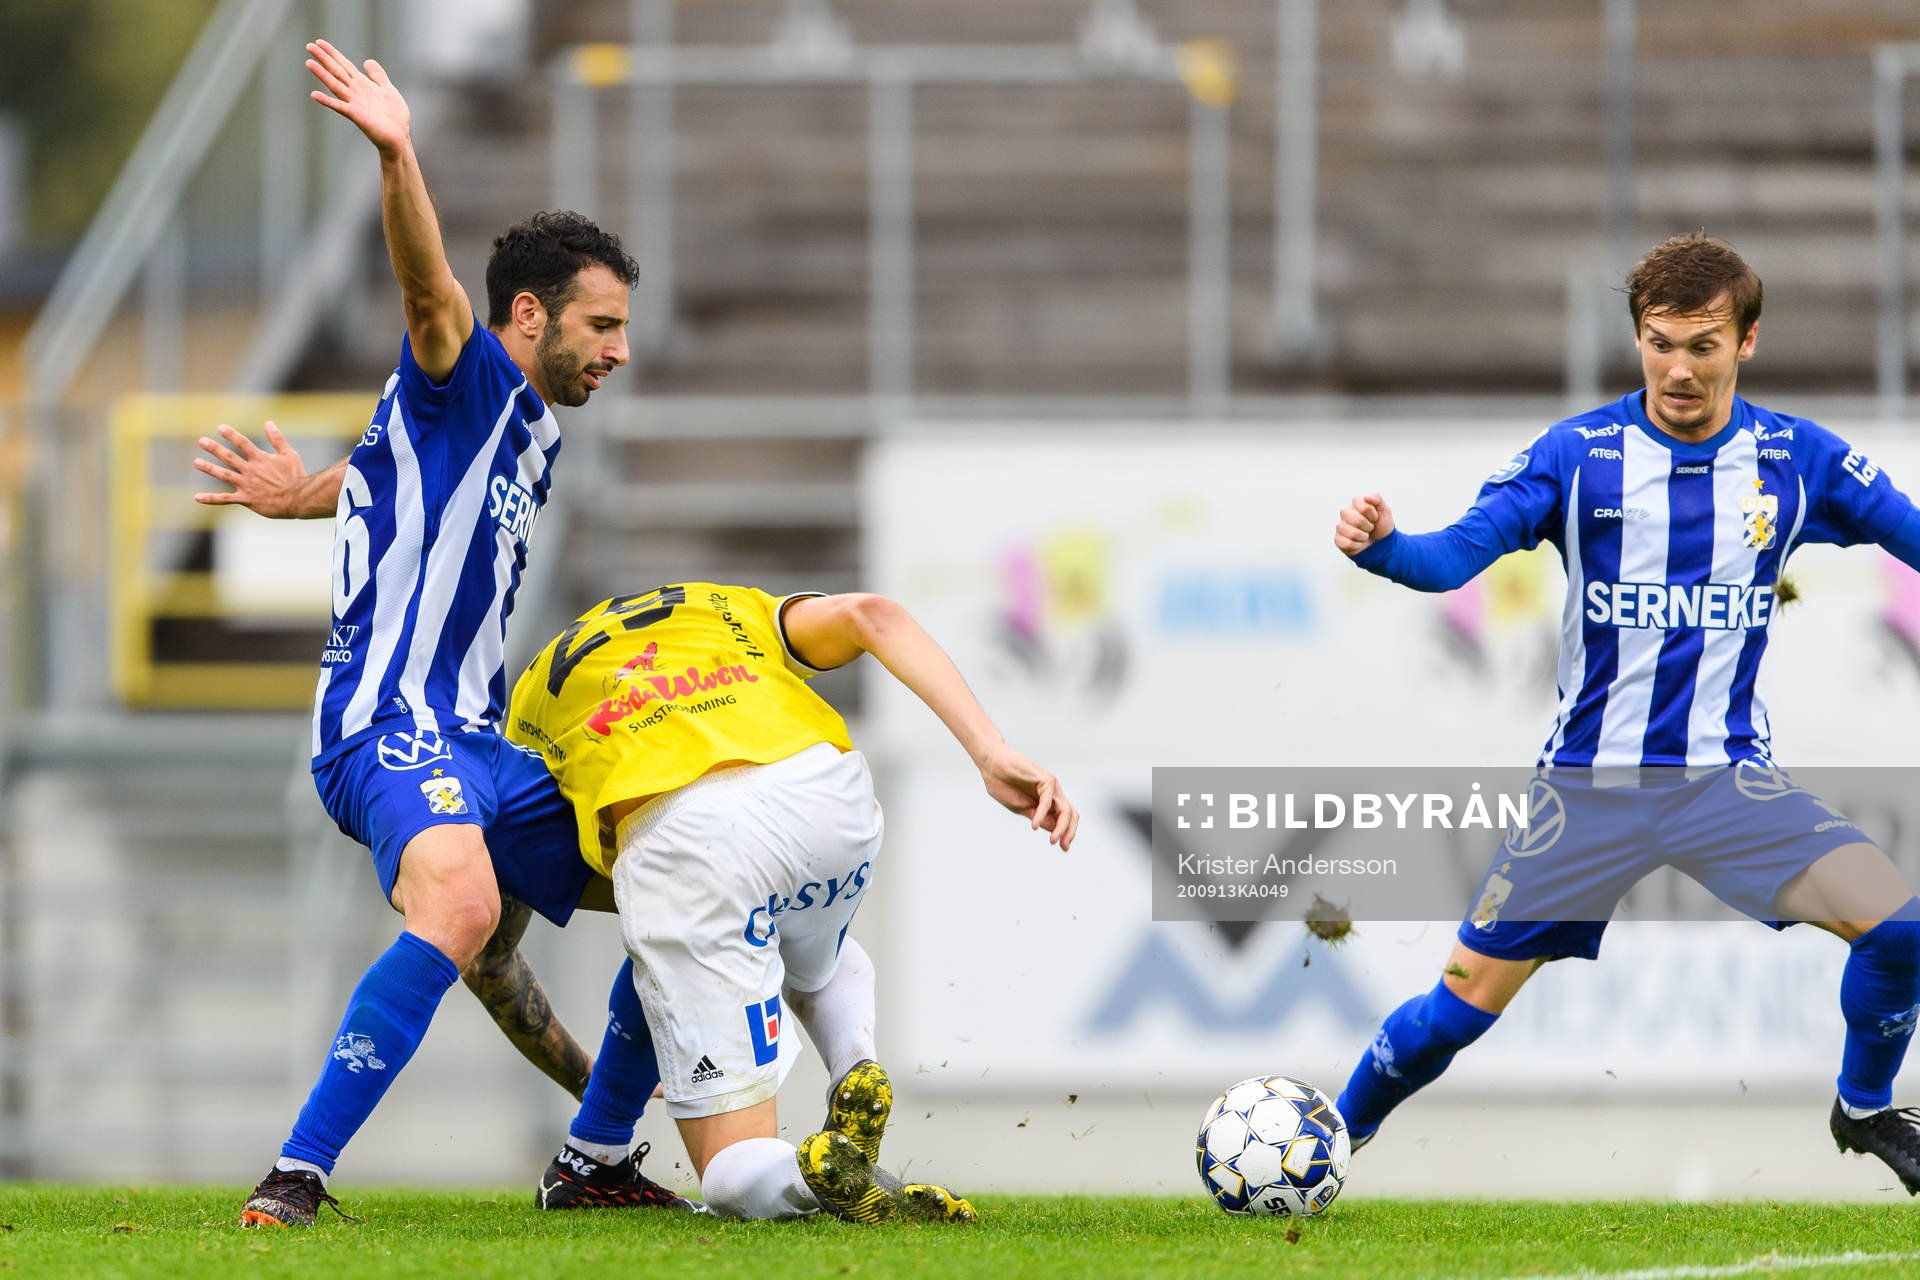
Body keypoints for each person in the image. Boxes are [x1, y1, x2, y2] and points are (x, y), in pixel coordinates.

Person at [192, 40, 686, 1225]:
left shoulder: (517, 428)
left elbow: (385, 476)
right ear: (530, 314)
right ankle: (294, 1175)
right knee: (462, 909)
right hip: (385, 724)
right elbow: (428, 293)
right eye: (603, 324)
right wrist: (399, 151)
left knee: (690, 879)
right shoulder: (464, 371)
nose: (619, 349)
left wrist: (300, 491)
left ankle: (596, 1152)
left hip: (478, 739)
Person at [1329, 232, 1920, 1192]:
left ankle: (1865, 1110)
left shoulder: (1799, 460)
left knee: (1901, 929)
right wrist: (1385, 547)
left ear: (1748, 343)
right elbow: (1450, 560)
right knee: (1458, 1010)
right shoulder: (1577, 457)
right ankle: (1329, 1143)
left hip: (1727, 786)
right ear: (1637, 338)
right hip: (1586, 793)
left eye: (1703, 345)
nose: (1678, 369)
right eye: (1659, 343)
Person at [506, 583, 1079, 1220]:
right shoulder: (720, 605)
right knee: (812, 953)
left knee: (730, 1175)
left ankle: (816, 1178)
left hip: (692, 834)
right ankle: (853, 1062)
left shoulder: (531, 699)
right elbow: (874, 614)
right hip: (833, 797)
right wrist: (991, 752)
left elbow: (516, 880)